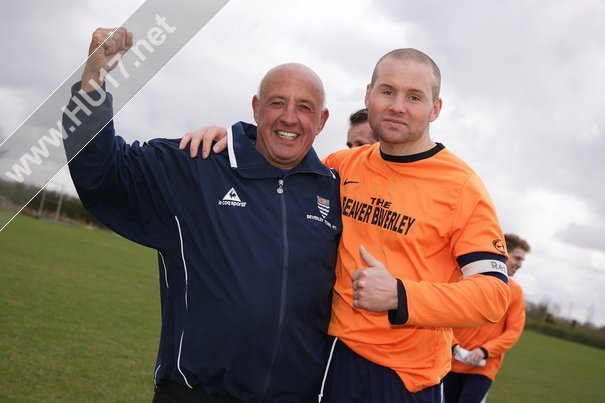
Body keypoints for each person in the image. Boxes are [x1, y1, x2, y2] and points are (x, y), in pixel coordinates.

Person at [181, 48, 511, 402]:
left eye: (414, 97)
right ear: (369, 95)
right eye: (388, 91)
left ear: (435, 109)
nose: (398, 105)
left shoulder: (462, 187)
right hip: (328, 361)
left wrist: (401, 295)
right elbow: (279, 172)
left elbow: (493, 296)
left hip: (403, 379)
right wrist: (233, 141)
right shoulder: (342, 166)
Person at [63, 27, 343, 403]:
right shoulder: (196, 165)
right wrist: (94, 80)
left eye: (304, 107)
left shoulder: (334, 190)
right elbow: (101, 172)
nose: (289, 118)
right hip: (197, 393)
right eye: (277, 103)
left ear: (322, 120)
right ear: (256, 108)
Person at [443, 233, 531, 403]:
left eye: (522, 261)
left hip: (483, 370)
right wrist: (453, 345)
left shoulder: (516, 292)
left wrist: (484, 351)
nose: (520, 264)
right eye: (517, 258)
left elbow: (513, 332)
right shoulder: (466, 280)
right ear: (504, 254)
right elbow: (446, 317)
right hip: (449, 363)